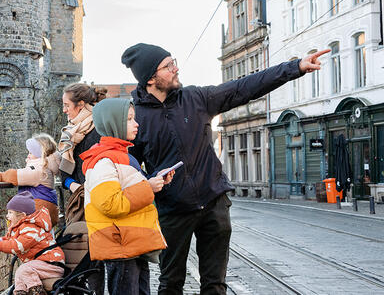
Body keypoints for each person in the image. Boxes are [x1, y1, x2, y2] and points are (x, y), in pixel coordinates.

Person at [120, 43, 328, 295]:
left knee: (215, 284)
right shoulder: (135, 117)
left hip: (213, 202)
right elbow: (128, 166)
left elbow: (245, 87)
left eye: (173, 61)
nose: (176, 68)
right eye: (168, 66)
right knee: (171, 283)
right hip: (173, 210)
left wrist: (295, 67)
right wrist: (149, 181)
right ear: (151, 78)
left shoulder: (196, 98)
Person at [80, 98, 173, 295]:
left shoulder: (122, 155)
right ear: (114, 123)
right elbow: (110, 203)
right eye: (130, 119)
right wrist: (148, 187)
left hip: (131, 243)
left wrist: (156, 181)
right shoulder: (103, 160)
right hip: (120, 245)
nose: (136, 123)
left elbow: (131, 189)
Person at [0, 191, 65, 295]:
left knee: (24, 269)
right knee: (19, 274)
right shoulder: (22, 226)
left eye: (10, 213)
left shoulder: (32, 229)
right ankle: (20, 292)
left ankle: (37, 292)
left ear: (22, 215)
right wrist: (1, 240)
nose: (7, 216)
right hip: (41, 264)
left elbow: (18, 245)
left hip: (52, 265)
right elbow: (14, 239)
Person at [0, 134, 61, 226]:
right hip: (44, 211)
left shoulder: (39, 170)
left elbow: (13, 176)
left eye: (31, 153)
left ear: (40, 153)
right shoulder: (44, 168)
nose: (28, 156)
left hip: (38, 213)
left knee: (30, 237)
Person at [57, 83, 104, 224]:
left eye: (67, 105)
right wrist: (71, 184)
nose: (64, 110)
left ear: (81, 104)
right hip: (78, 199)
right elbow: (64, 171)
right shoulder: (71, 131)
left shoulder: (100, 129)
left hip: (97, 201)